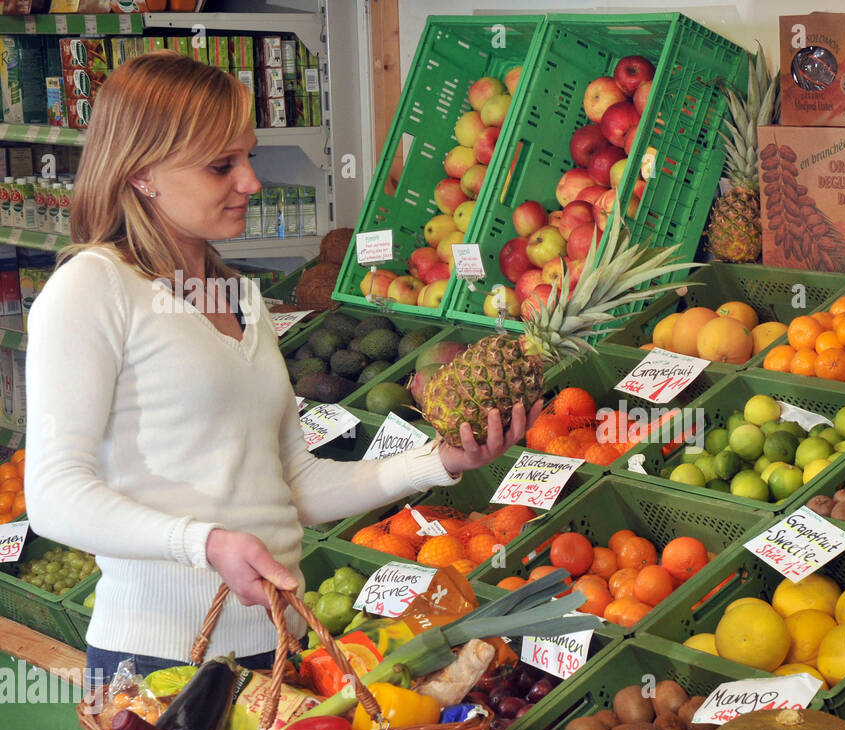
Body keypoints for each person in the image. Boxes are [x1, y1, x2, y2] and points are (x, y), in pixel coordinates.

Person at [24, 52, 539, 685]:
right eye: (222, 166)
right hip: (159, 662)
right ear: (142, 174)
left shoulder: (241, 298)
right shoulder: (93, 290)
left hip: (281, 652)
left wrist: (438, 463)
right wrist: (207, 542)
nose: (251, 183)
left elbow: (291, 484)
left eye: (250, 158)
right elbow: (53, 497)